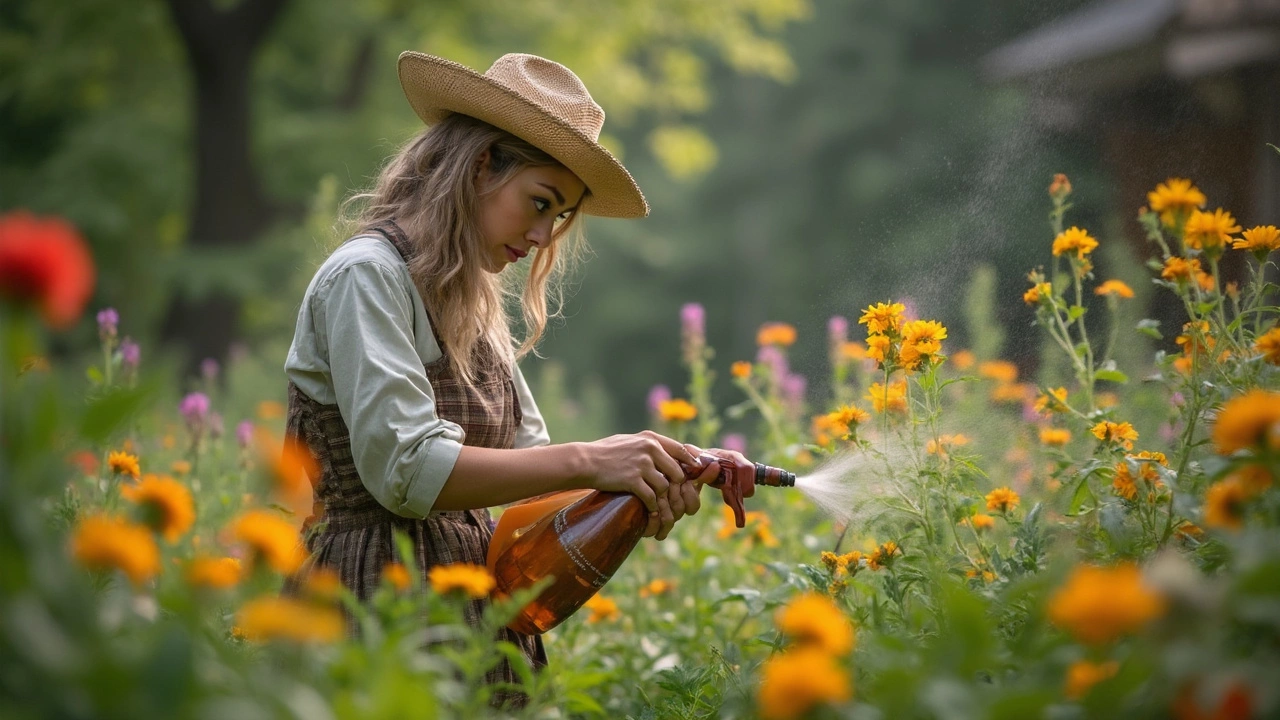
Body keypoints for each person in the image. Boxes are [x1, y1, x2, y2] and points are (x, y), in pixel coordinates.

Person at [282, 51, 729, 703]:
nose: (546, 235)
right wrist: (594, 459)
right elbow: (406, 470)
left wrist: (649, 480)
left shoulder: (477, 305)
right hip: (372, 606)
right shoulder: (365, 277)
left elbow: (529, 482)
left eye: (562, 217)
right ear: (482, 163)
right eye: (540, 202)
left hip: (480, 618)